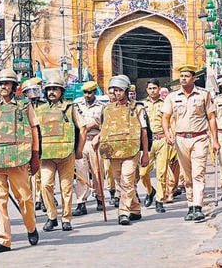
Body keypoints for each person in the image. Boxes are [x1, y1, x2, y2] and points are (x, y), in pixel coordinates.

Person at [0, 68, 39, 254]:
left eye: (7, 83)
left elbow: (34, 130)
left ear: (14, 87)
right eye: (1, 84)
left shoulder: (24, 105)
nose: (3, 87)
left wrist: (35, 156)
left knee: (25, 199)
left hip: (17, 159)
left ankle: (31, 227)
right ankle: (4, 240)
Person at [162, 64, 220, 222]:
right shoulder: (172, 97)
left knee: (198, 173)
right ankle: (190, 206)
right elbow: (166, 117)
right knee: (187, 176)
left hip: (199, 138)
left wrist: (215, 140)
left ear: (194, 78)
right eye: (181, 76)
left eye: (187, 76)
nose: (183, 79)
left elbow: (212, 117)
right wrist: (167, 133)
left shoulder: (204, 95)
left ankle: (197, 206)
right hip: (180, 139)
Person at [94, 75, 150, 225]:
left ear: (126, 90)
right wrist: (97, 138)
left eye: (119, 90)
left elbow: (144, 131)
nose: (116, 93)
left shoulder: (137, 108)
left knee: (126, 180)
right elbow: (105, 128)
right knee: (120, 182)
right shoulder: (107, 109)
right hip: (113, 150)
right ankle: (135, 209)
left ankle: (123, 212)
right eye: (114, 90)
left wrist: (145, 153)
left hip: (131, 151)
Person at [36, 76, 82, 232]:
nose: (51, 92)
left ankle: (66, 218)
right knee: (45, 185)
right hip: (47, 155)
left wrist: (79, 150)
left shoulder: (70, 108)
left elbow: (81, 128)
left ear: (61, 91)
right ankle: (52, 217)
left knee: (66, 187)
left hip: (66, 154)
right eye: (49, 89)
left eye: (54, 89)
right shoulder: (40, 110)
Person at [72, 81, 107, 216]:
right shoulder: (77, 106)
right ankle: (81, 202)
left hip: (95, 141)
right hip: (81, 142)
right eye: (85, 92)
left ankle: (99, 197)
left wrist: (95, 125)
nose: (87, 95)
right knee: (81, 173)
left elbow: (106, 126)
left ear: (94, 92)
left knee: (98, 172)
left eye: (90, 92)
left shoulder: (102, 107)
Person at [139, 78, 171, 213]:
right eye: (150, 88)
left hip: (162, 139)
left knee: (161, 172)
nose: (152, 91)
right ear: (147, 90)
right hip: (147, 142)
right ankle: (150, 191)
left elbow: (171, 121)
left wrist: (171, 136)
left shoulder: (166, 104)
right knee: (143, 173)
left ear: (159, 89)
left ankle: (159, 200)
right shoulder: (141, 105)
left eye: (154, 88)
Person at [20, 77, 45, 211]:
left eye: (35, 90)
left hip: (43, 143)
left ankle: (42, 198)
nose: (33, 93)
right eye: (29, 91)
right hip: (28, 145)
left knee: (42, 175)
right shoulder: (23, 107)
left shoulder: (44, 106)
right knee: (29, 176)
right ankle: (33, 199)